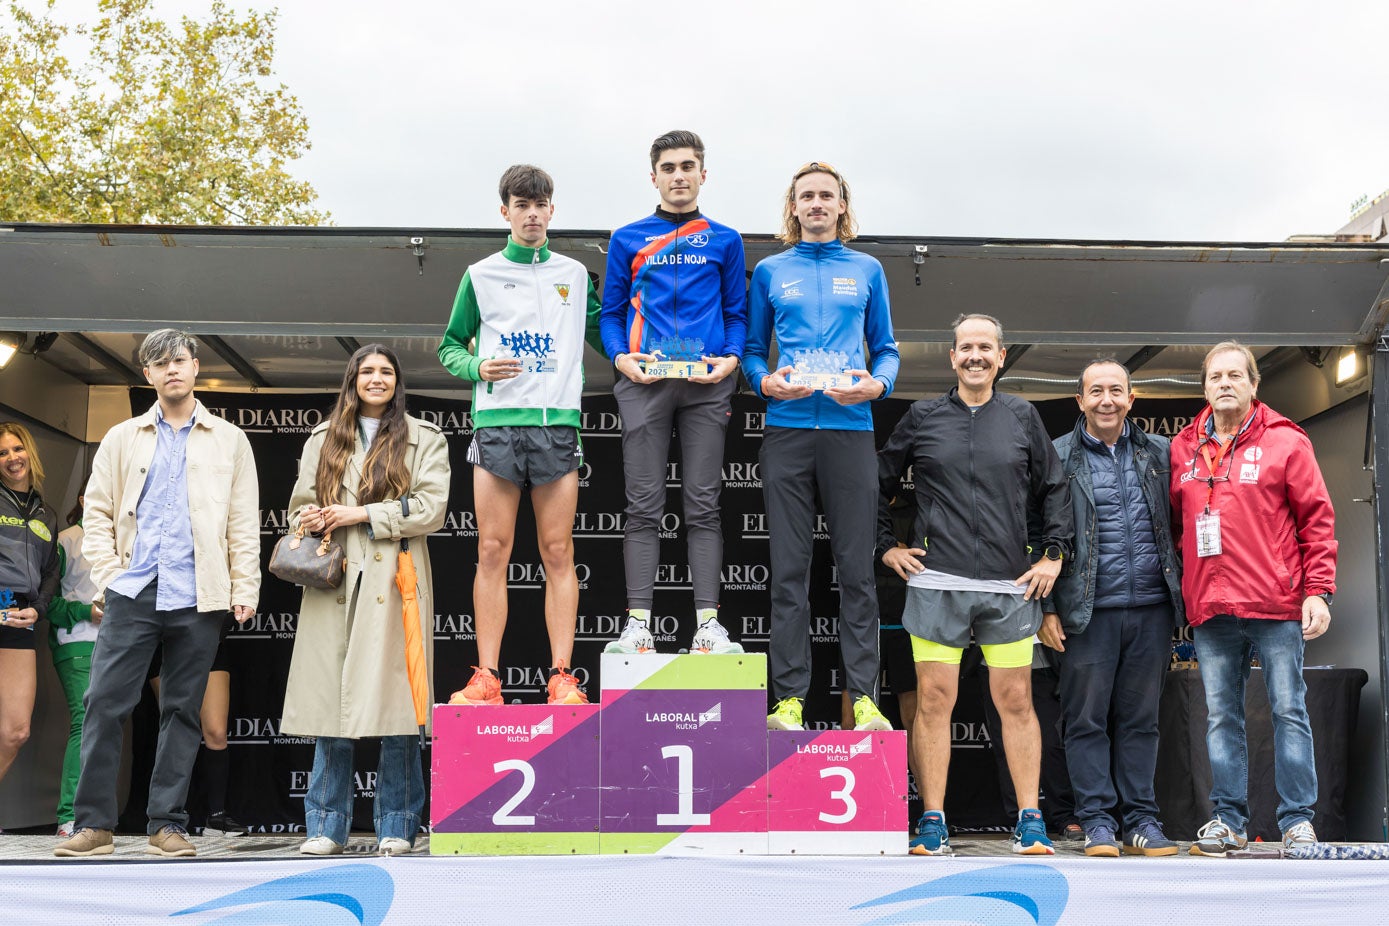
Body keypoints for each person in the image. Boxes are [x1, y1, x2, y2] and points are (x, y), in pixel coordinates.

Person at [56, 329, 260, 858]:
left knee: (183, 710)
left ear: (196, 367)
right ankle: (94, 824)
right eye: (159, 363)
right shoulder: (123, 437)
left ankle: (167, 822)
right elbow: (96, 512)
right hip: (134, 589)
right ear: (147, 375)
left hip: (199, 592)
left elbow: (242, 520)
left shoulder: (229, 439)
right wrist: (108, 577)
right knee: (103, 702)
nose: (171, 369)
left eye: (180, 360)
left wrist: (246, 585)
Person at [877, 313, 1072, 857]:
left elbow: (1055, 489)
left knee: (1015, 700)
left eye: (985, 347)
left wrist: (1054, 555)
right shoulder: (922, 416)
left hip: (1009, 587)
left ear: (1001, 357)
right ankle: (933, 819)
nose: (975, 356)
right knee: (934, 702)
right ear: (952, 357)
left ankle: (1030, 818)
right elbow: (876, 482)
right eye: (966, 347)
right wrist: (884, 547)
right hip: (937, 583)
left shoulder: (1022, 416)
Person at [744, 160, 899, 733]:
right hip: (787, 430)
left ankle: (864, 700)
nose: (815, 204)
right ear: (793, 206)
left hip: (849, 432)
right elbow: (755, 351)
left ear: (841, 206)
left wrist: (877, 385)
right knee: (789, 571)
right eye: (805, 196)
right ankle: (789, 701)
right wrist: (763, 381)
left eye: (825, 196)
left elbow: (885, 349)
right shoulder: (769, 271)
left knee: (856, 572)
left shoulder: (866, 269)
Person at [438, 164, 600, 706]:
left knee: (558, 549)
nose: (531, 214)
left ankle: (561, 676)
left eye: (540, 204)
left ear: (552, 210)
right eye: (520, 204)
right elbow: (451, 347)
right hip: (498, 425)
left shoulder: (575, 275)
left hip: (557, 426)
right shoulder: (479, 274)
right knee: (492, 549)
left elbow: (612, 329)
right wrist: (477, 367)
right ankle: (486, 677)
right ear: (504, 211)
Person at [281, 344, 449, 857]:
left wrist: (361, 515)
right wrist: (310, 519)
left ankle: (398, 824)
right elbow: (298, 507)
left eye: (386, 372)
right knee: (333, 702)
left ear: (398, 382)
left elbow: (432, 508)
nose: (377, 379)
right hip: (335, 581)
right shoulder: (322, 438)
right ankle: (325, 827)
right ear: (352, 380)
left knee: (400, 705)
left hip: (393, 577)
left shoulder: (425, 437)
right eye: (367, 371)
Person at [1171, 341, 1336, 856]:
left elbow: (1318, 520)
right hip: (1212, 608)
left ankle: (1297, 823)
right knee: (1221, 717)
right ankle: (1228, 821)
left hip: (1276, 603)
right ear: (1204, 387)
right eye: (1215, 376)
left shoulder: (1287, 441)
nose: (1224, 384)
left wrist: (1319, 590)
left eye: (1234, 375)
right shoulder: (1183, 447)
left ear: (1254, 384)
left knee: (1289, 711)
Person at [600, 130, 747, 656]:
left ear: (703, 175)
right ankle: (639, 625)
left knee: (704, 506)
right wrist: (620, 358)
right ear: (654, 176)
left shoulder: (726, 239)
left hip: (707, 387)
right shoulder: (627, 238)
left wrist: (731, 358)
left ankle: (707, 626)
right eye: (669, 167)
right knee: (642, 505)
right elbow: (609, 314)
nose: (679, 176)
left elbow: (737, 313)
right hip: (645, 384)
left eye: (688, 166)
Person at [1037, 359, 1185, 857]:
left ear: (1130, 399)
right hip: (1086, 612)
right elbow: (1040, 538)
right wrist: (1047, 610)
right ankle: (1098, 821)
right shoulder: (1057, 456)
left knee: (1142, 720)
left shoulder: (1161, 453)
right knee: (1085, 720)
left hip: (1151, 608)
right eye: (1095, 391)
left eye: (1115, 391)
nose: (1106, 399)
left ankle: (1142, 819)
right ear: (1079, 401)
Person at [0, 422, 60, 817]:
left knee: (16, 730)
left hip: (21, 618)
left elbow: (52, 572)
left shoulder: (46, 512)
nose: (11, 458)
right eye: (2, 453)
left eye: (16, 449)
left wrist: (37, 609)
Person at [47, 496, 102, 838]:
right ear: (84, 499)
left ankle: (93, 815)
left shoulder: (123, 541)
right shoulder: (66, 540)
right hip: (76, 642)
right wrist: (86, 612)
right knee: (85, 721)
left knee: (103, 728)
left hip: (117, 647)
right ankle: (69, 816)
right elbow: (45, 602)